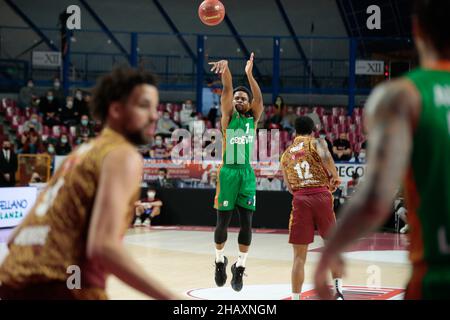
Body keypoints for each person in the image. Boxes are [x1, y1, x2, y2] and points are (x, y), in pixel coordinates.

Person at [314, 0, 450, 300]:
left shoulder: (402, 96)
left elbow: (375, 200)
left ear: (417, 30)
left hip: (438, 278)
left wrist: (330, 252)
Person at [0, 67, 175, 300]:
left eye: (155, 107)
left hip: (12, 279)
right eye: (144, 106)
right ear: (116, 109)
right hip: (61, 286)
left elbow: (13, 239)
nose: (154, 116)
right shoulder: (121, 154)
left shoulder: (78, 154)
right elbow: (102, 247)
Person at [209, 52, 263, 292]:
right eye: (237, 98)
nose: (239, 100)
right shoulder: (228, 117)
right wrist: (227, 70)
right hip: (228, 172)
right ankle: (220, 261)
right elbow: (228, 87)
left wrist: (250, 75)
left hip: (246, 174)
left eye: (243, 98)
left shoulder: (253, 118)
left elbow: (259, 98)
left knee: (247, 223)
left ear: (248, 103)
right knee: (223, 222)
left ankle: (239, 267)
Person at [280, 116, 344, 300]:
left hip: (300, 199)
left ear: (295, 131)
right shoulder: (317, 143)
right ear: (313, 129)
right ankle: (338, 292)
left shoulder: (286, 154)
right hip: (321, 196)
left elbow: (290, 187)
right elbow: (329, 162)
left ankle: (295, 297)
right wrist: (335, 178)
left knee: (299, 257)